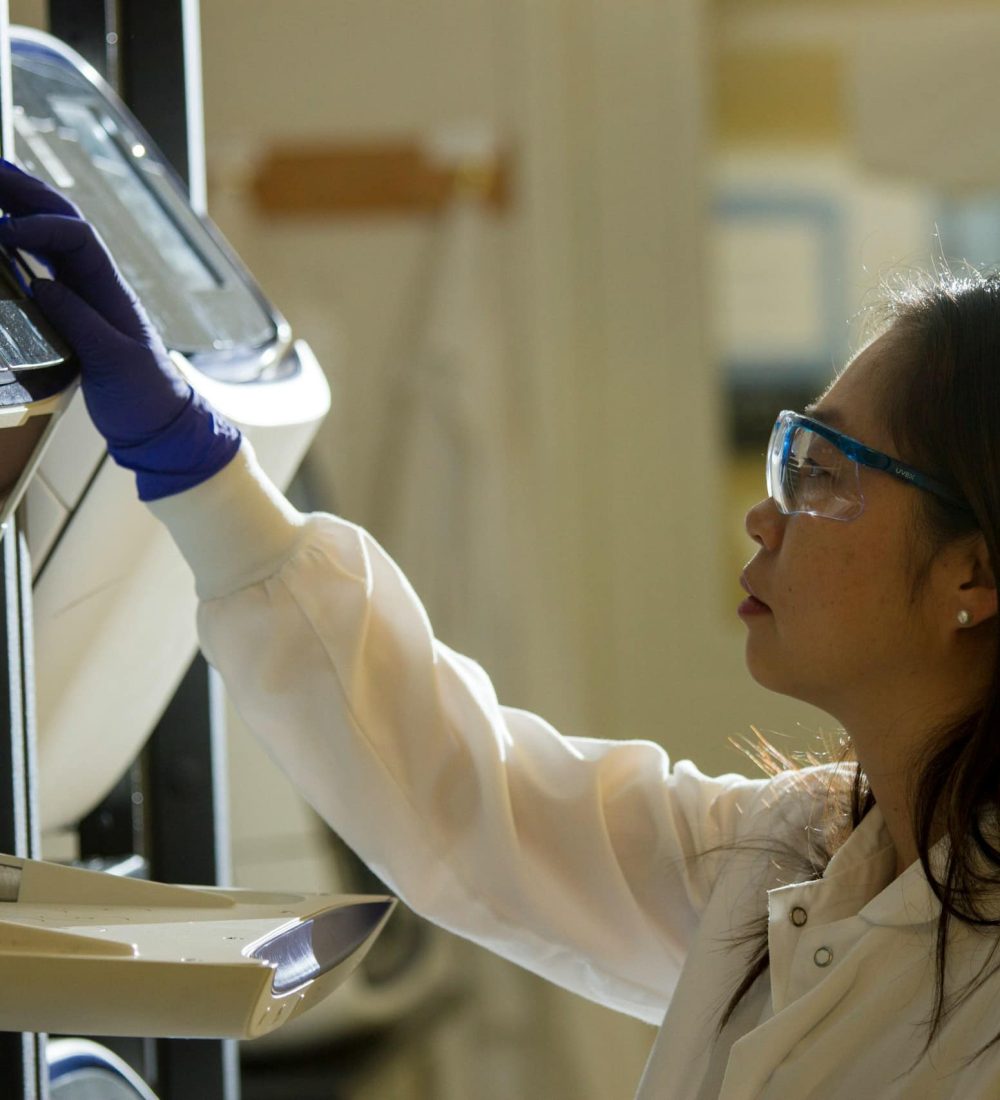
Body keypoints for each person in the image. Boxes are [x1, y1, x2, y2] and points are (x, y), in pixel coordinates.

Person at [1, 159, 998, 1098]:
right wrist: (197, 465)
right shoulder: (797, 852)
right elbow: (476, 798)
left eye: (824, 472)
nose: (765, 513)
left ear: (975, 568)